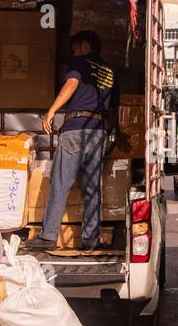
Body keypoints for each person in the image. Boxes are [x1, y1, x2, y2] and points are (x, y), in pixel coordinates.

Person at [36, 30, 119, 250]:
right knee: (92, 188)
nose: (74, 52)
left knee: (60, 183)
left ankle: (48, 236)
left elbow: (71, 84)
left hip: (76, 129)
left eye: (75, 48)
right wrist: (112, 134)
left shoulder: (80, 62)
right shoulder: (110, 71)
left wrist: (51, 111)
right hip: (99, 132)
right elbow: (113, 110)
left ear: (83, 46)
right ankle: (90, 240)